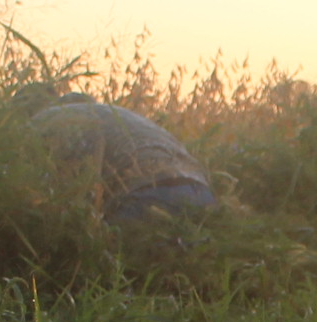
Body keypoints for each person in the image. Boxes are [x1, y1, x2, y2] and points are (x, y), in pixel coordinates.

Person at [25, 85, 217, 224]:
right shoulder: (118, 113)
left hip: (143, 193)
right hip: (197, 188)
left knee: (121, 273)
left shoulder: (47, 120)